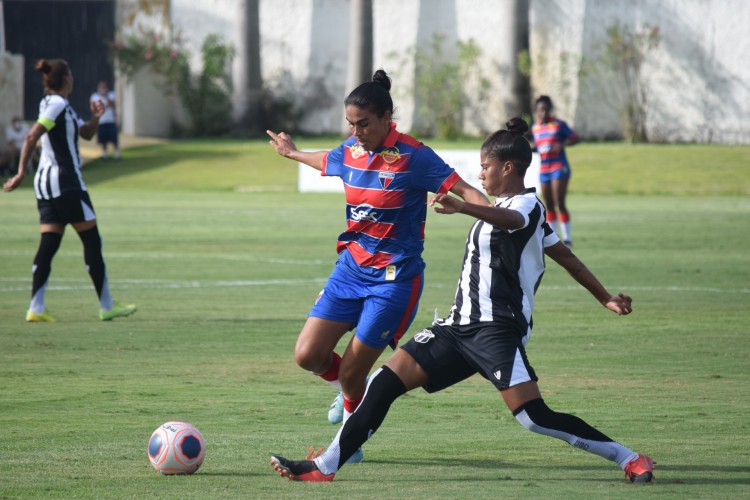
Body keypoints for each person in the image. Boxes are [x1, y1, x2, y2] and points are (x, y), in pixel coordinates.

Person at [270, 117, 654, 484]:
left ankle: (629, 457)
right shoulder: (502, 207)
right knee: (384, 383)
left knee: (533, 418)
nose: (481, 175)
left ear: (508, 168)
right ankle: (325, 466)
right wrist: (604, 296)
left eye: (485, 167)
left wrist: (464, 205)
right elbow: (565, 256)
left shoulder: (526, 207)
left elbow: (519, 227)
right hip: (455, 328)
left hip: (496, 330)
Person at [266, 69, 489, 462]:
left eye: (363, 124)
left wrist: (494, 215)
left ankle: (346, 448)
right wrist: (292, 152)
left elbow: (467, 189)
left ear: (388, 118)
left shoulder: (414, 156)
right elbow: (328, 160)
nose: (356, 133)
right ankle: (352, 393)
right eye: (350, 124)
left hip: (393, 281)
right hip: (350, 270)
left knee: (353, 374)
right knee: (308, 355)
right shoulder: (351, 150)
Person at [3, 59, 137, 323]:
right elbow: (32, 136)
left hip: (47, 187)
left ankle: (36, 308)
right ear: (65, 78)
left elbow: (85, 133)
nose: (73, 78)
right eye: (71, 74)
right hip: (66, 184)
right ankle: (107, 305)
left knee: (49, 243)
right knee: (92, 241)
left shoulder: (54, 105)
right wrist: (20, 172)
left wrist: (96, 117)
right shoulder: (56, 104)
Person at [531, 95, 579, 247]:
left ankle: (567, 237)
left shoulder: (558, 125)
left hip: (559, 167)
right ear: (536, 111)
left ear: (550, 110)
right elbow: (538, 148)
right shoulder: (535, 128)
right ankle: (553, 238)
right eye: (540, 110)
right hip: (544, 169)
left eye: (546, 109)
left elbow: (575, 138)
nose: (543, 113)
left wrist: (562, 144)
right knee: (549, 204)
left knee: (560, 202)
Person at [89, 81, 120, 160]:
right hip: (101, 122)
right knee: (103, 140)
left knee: (114, 139)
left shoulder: (111, 95)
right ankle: (105, 155)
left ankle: (116, 154)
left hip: (110, 120)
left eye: (104, 87)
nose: (103, 89)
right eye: (101, 88)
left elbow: (113, 104)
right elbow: (94, 108)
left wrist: (105, 96)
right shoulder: (95, 96)